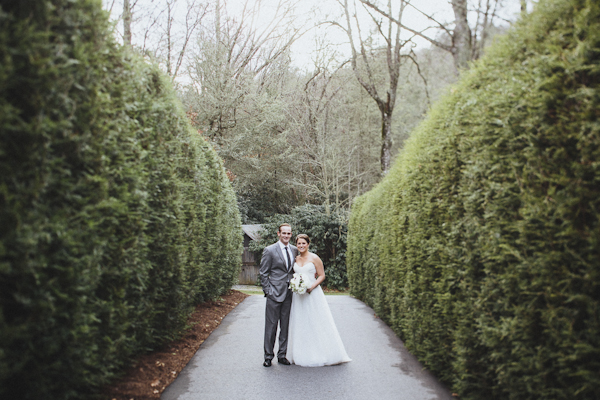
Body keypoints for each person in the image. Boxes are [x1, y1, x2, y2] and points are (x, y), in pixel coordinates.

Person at [287, 233, 351, 367]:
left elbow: (322, 276)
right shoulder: (295, 258)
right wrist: (296, 285)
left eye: (303, 243)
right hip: (299, 295)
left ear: (308, 244)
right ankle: (300, 352)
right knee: (300, 322)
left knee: (316, 321)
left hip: (312, 293)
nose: (301, 246)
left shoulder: (314, 258)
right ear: (296, 245)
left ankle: (322, 352)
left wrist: (311, 286)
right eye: (299, 243)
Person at [259, 223, 298, 367]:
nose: (286, 236)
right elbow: (263, 273)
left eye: (289, 233)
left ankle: (282, 355)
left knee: (285, 326)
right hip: (274, 294)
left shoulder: (294, 250)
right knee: (271, 326)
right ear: (278, 234)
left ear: (291, 234)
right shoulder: (269, 250)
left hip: (289, 294)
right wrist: (268, 291)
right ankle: (268, 356)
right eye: (284, 233)